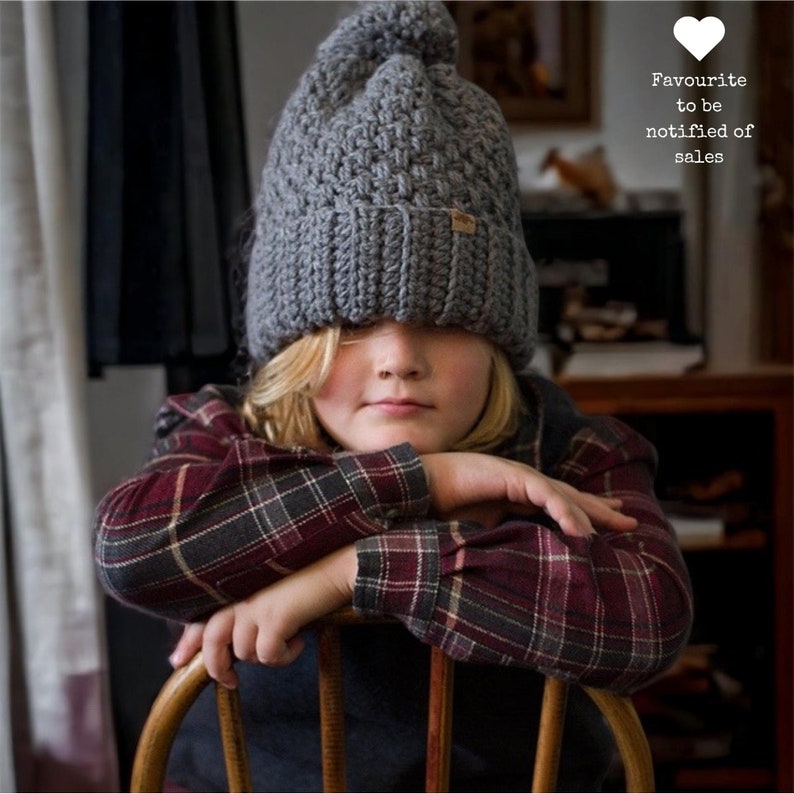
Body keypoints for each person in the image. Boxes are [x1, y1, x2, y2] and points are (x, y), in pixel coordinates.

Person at [93, 3, 693, 791]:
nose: (399, 360)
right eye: (350, 323)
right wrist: (431, 481)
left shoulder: (573, 450)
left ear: (498, 338)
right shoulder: (222, 434)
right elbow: (136, 552)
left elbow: (647, 617)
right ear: (293, 341)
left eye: (444, 322)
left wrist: (355, 571)